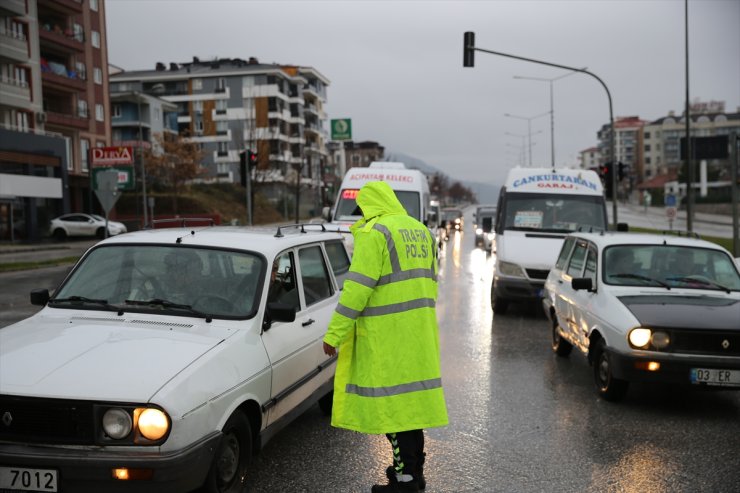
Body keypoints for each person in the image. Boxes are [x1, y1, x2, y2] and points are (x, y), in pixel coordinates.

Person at [322, 181, 448, 493]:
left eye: (362, 209)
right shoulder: (421, 230)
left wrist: (334, 334)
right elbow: (431, 283)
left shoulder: (376, 233)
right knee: (410, 407)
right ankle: (412, 471)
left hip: (386, 338)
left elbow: (356, 290)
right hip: (418, 336)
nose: (360, 216)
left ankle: (405, 481)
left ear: (371, 205)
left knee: (393, 412)